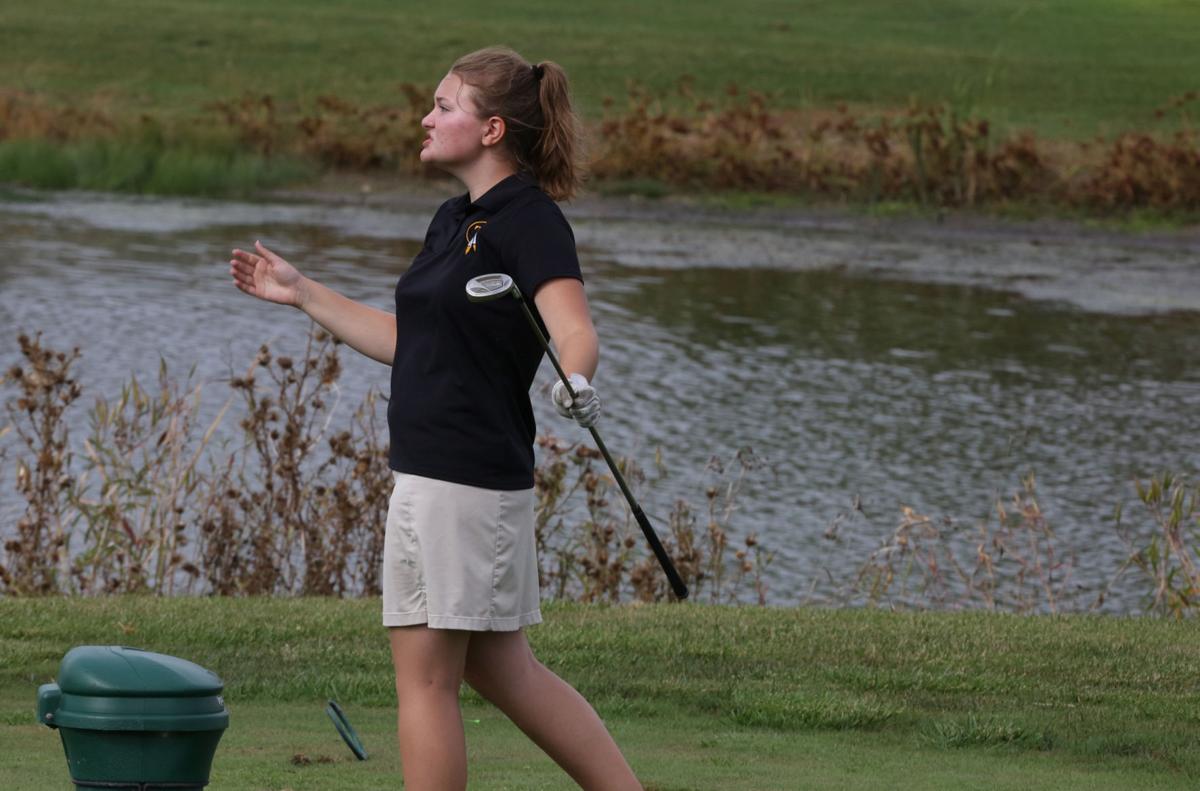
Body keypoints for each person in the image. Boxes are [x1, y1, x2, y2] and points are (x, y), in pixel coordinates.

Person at [228, 46, 642, 791]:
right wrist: (303, 292)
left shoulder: (530, 220)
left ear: (490, 130)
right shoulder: (455, 220)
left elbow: (574, 328)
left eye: (445, 106)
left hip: (465, 478)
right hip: (434, 474)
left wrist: (577, 378)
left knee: (426, 680)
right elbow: (411, 343)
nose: (426, 117)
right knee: (499, 667)